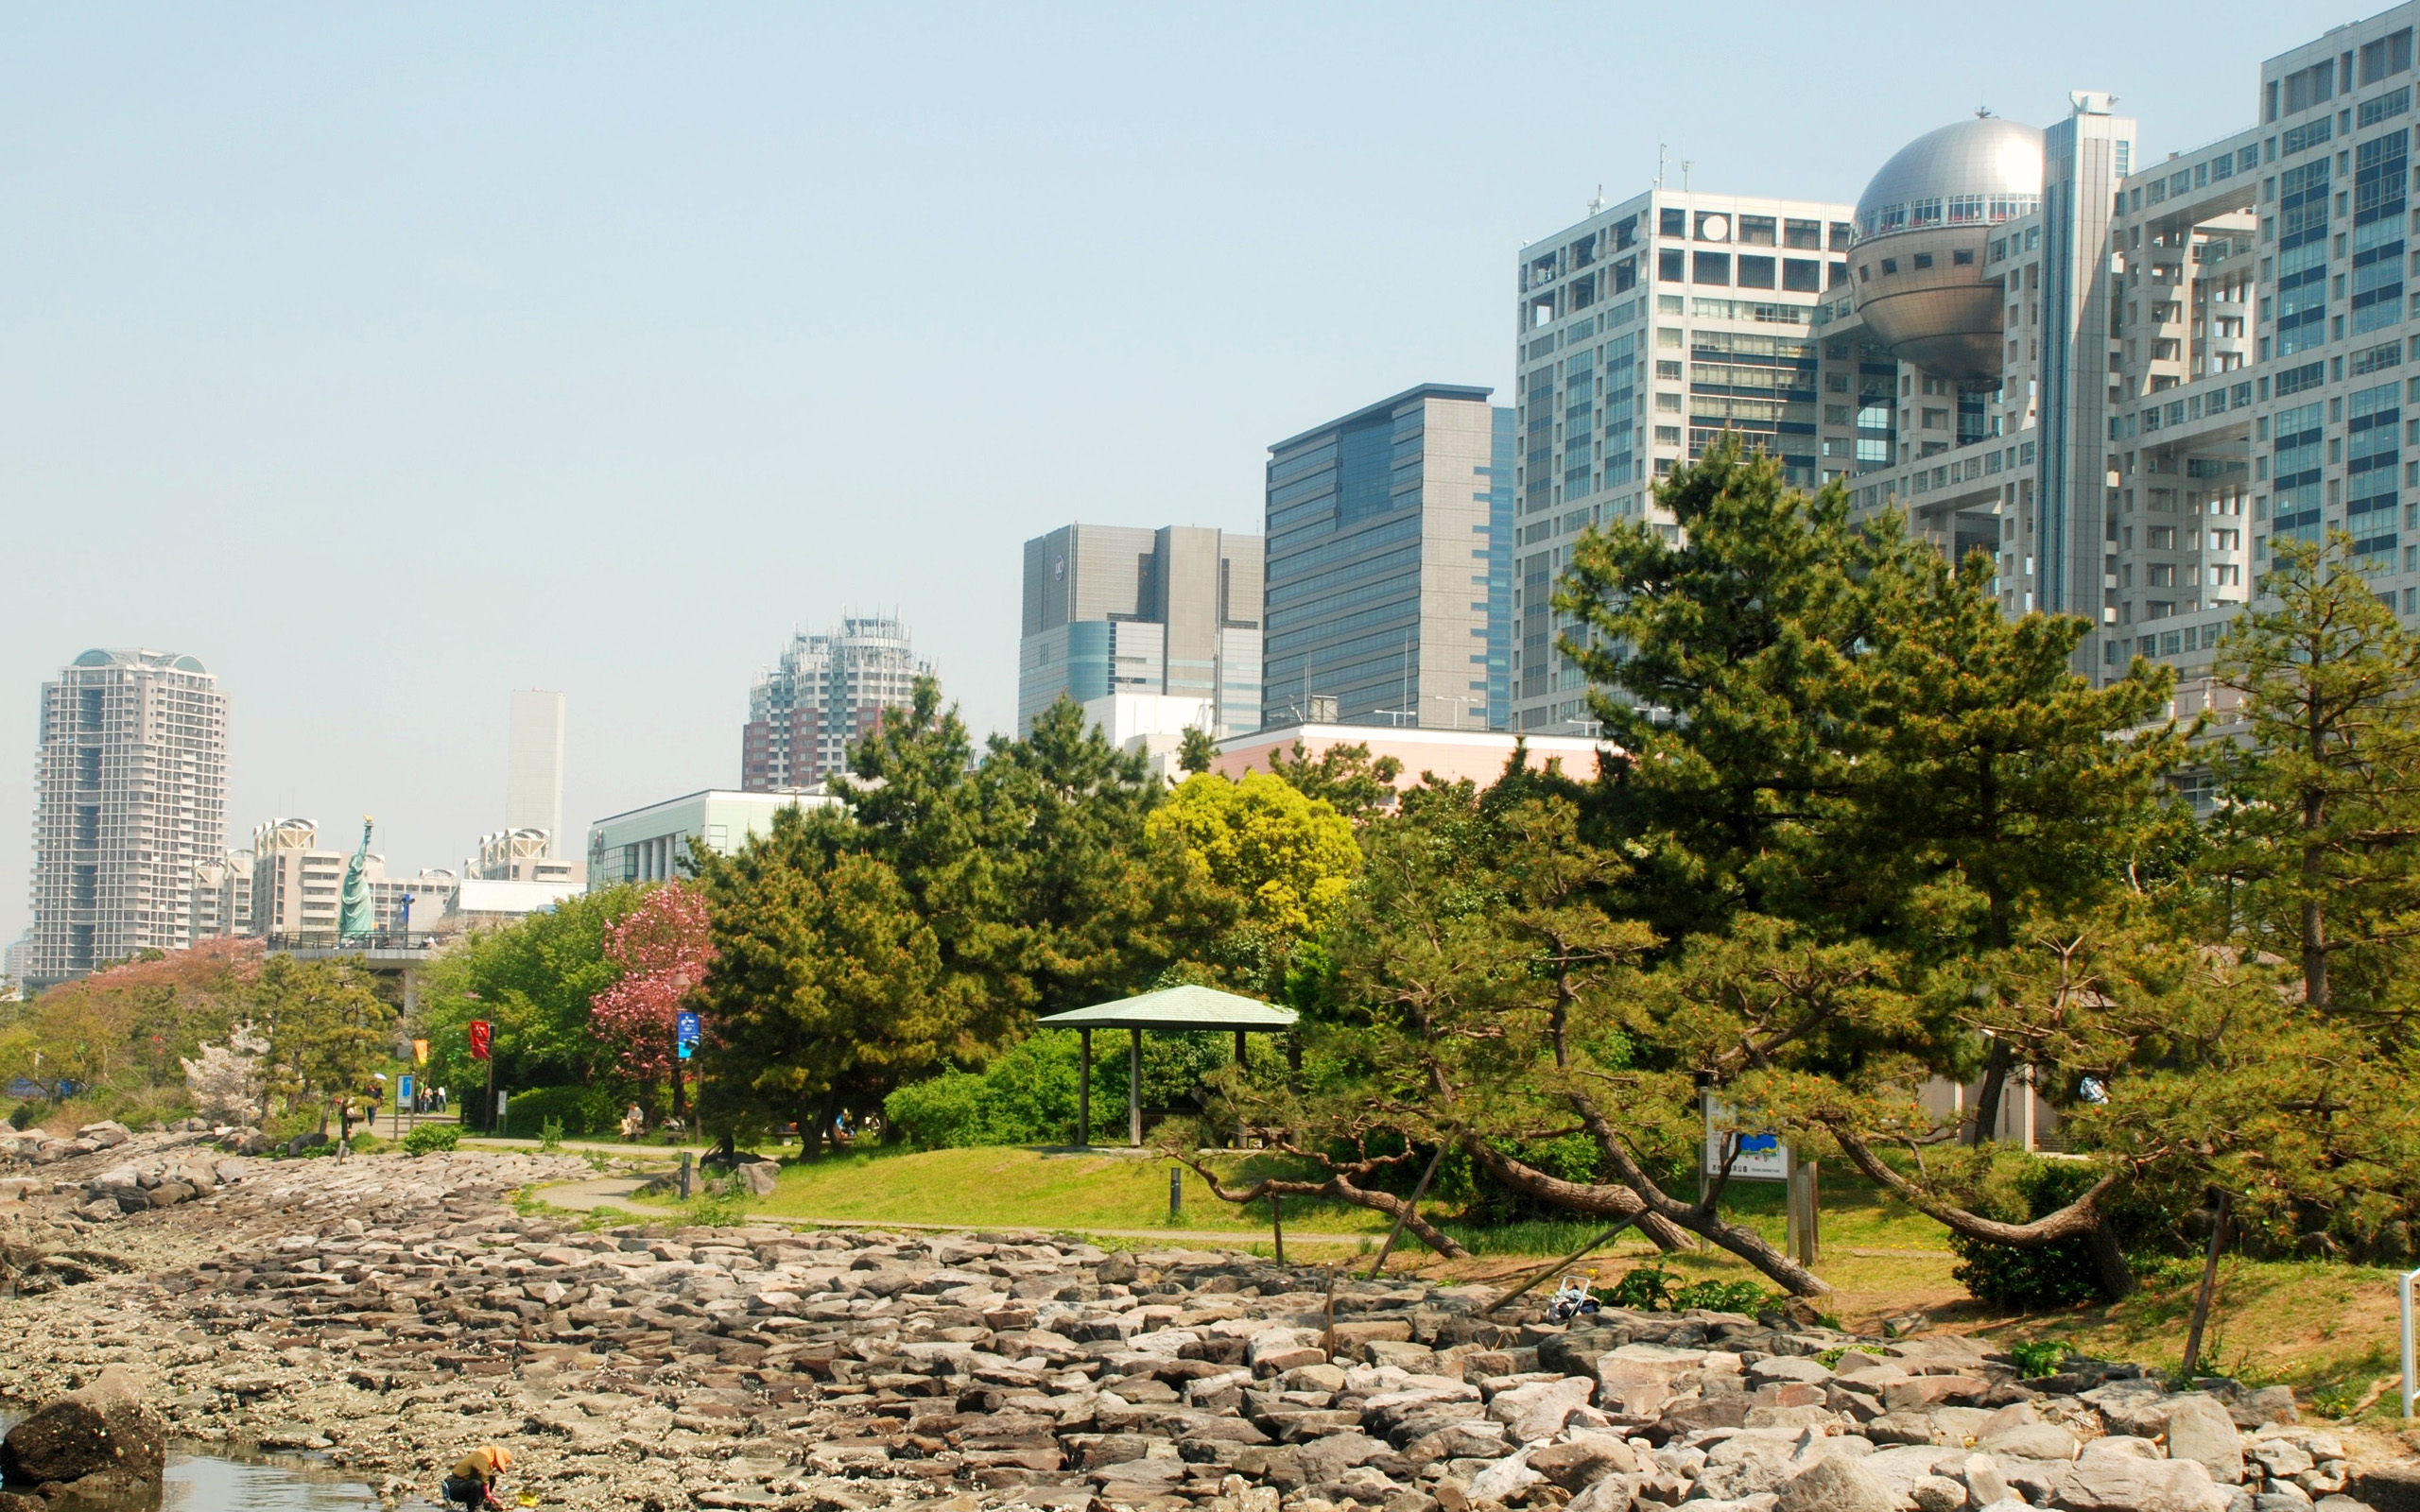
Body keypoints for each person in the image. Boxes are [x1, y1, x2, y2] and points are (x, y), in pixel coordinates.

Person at [441, 1444, 512, 1508]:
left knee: (491, 1479)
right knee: (476, 1484)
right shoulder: (483, 1458)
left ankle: (478, 1504)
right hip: (453, 1487)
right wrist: (488, 1495)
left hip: (462, 1484)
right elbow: (484, 1476)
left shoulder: (483, 1457)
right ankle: (472, 1509)